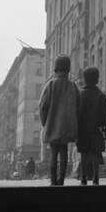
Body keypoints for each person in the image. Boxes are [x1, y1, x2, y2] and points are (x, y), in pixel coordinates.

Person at [39, 55, 80, 186]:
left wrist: (45, 122)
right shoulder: (73, 86)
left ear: (55, 69)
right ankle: (61, 180)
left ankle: (53, 180)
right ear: (68, 70)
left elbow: (42, 106)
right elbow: (78, 107)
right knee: (64, 152)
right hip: (67, 126)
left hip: (52, 125)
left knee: (53, 152)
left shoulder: (50, 85)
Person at [76, 67, 106, 186]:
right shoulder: (100, 95)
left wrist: (76, 130)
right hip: (96, 130)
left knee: (84, 154)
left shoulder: (80, 94)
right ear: (97, 79)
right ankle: (96, 178)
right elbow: (105, 115)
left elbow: (77, 113)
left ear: (85, 79)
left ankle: (83, 178)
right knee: (96, 153)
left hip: (82, 131)